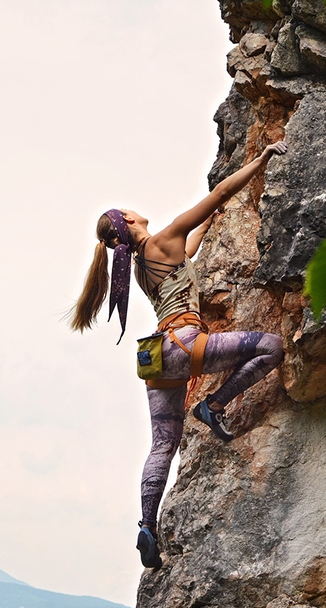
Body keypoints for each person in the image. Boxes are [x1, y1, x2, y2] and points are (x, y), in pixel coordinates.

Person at [70, 140, 287, 570]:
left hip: (158, 358)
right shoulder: (164, 236)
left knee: (162, 444)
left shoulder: (140, 264)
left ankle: (147, 526)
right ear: (129, 220)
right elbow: (220, 194)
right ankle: (213, 404)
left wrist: (210, 225)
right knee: (272, 347)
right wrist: (259, 160)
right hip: (186, 343)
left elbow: (187, 253)